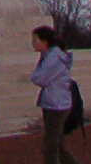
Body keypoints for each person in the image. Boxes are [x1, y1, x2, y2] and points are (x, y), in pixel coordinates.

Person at [30, 24, 79, 164]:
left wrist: (35, 74)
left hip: (56, 106)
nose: (33, 43)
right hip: (54, 103)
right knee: (58, 145)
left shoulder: (53, 58)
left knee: (50, 147)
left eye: (35, 40)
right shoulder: (49, 56)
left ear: (44, 42)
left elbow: (39, 78)